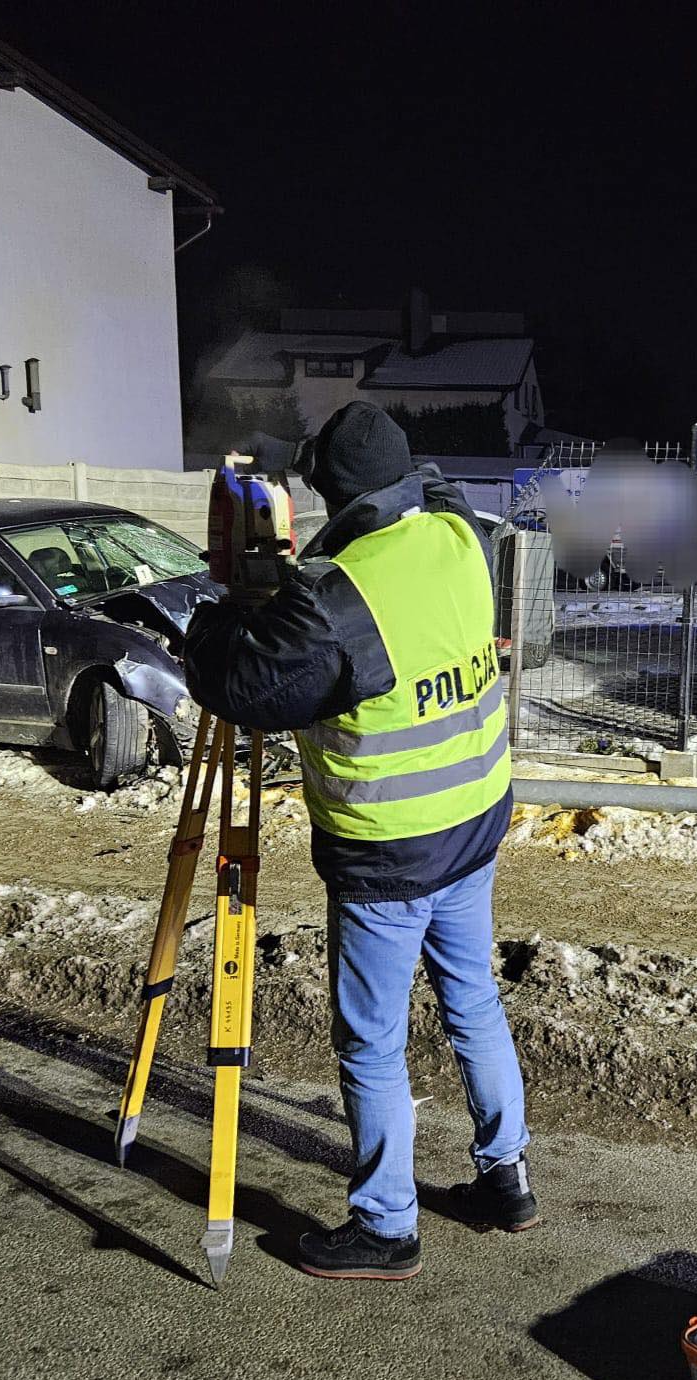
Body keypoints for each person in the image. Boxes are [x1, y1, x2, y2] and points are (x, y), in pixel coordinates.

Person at [183, 401, 537, 1282]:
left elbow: (246, 684)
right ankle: (507, 1178)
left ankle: (386, 1226)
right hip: (475, 821)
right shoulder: (459, 533)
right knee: (472, 1004)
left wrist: (217, 611)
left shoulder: (339, 595)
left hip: (389, 850)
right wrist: (298, 454)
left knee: (370, 1040)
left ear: (335, 494)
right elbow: (419, 483)